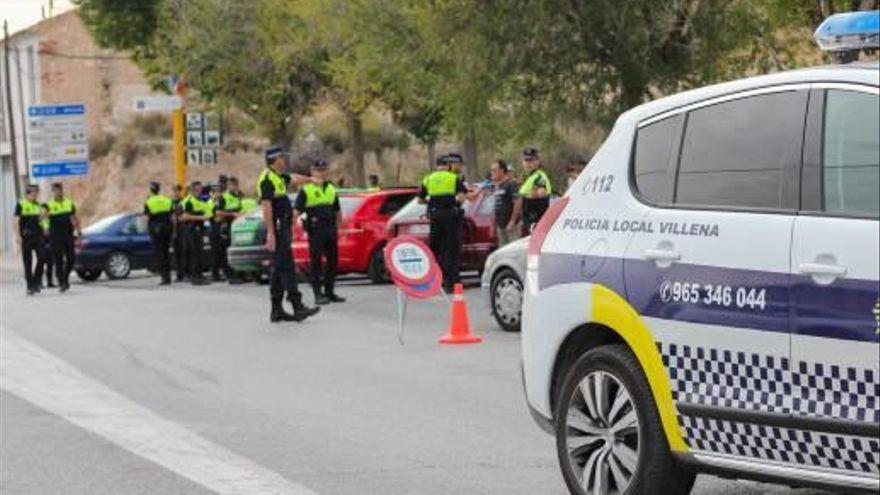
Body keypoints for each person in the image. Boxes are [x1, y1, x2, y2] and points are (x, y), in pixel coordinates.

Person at [259, 146, 320, 323]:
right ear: (274, 159)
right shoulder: (267, 179)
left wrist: (309, 179)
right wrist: (271, 232)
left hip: (283, 227)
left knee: (278, 269)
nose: (284, 160)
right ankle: (297, 306)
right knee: (286, 267)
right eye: (281, 157)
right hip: (276, 228)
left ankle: (276, 310)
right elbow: (266, 206)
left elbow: (293, 178)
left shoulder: (278, 176)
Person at [294, 158, 345, 305]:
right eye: (318, 170)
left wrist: (339, 227)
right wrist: (293, 229)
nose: (321, 173)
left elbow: (337, 210)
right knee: (316, 263)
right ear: (312, 172)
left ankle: (329, 292)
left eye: (323, 170)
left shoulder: (331, 188)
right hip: (316, 230)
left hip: (330, 229)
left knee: (332, 261)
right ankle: (318, 294)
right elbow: (296, 211)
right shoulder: (306, 189)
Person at [418, 154, 467, 293]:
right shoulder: (453, 178)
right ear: (448, 166)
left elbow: (420, 200)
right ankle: (451, 282)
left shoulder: (428, 179)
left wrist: (433, 201)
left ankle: (436, 281)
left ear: (436, 166)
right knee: (452, 249)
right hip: (451, 217)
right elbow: (462, 197)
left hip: (435, 216)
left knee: (436, 249)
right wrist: (454, 201)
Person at [46, 182, 81, 292]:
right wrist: (46, 228)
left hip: (68, 235)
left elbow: (75, 218)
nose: (58, 192)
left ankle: (65, 278)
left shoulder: (69, 203)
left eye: (60, 190)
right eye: (56, 190)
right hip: (55, 236)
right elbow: (44, 219)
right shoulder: (49, 205)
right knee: (58, 260)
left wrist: (79, 231)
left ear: (62, 190)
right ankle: (62, 282)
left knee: (71, 259)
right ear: (53, 192)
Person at [511, 147, 552, 237]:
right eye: (526, 160)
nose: (528, 163)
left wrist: (536, 193)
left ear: (537, 161)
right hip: (529, 223)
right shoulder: (530, 176)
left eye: (531, 160)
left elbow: (542, 191)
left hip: (536, 223)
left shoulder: (539, 176)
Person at [13, 184, 46, 295]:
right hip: (26, 237)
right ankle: (30, 286)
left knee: (42, 258)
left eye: (37, 192)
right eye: (35, 193)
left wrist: (43, 216)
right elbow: (16, 221)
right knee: (28, 262)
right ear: (29, 193)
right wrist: (18, 236)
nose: (37, 195)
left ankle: (36, 280)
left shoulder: (38, 205)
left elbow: (39, 220)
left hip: (38, 236)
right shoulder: (20, 204)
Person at [144, 181, 174, 285]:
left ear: (151, 190)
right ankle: (168, 277)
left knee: (160, 254)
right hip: (167, 229)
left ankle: (164, 278)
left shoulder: (149, 201)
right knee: (166, 253)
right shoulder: (167, 200)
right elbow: (172, 217)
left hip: (156, 231)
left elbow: (147, 217)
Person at [180, 181, 210, 286]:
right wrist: (201, 217)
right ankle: (195, 278)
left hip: (199, 229)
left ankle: (200, 275)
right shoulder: (188, 201)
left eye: (201, 189)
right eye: (198, 189)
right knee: (194, 253)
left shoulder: (200, 201)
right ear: (193, 190)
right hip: (190, 229)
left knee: (200, 253)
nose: (200, 191)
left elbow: (207, 212)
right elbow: (183, 217)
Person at [215, 176, 244, 284]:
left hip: (238, 226)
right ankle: (230, 275)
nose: (233, 187)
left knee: (237, 250)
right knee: (228, 251)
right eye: (231, 185)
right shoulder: (223, 197)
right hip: (227, 226)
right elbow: (218, 213)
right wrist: (232, 214)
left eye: (235, 185)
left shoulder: (239, 196)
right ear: (228, 186)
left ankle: (239, 274)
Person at [490, 160, 519, 247]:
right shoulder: (497, 185)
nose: (492, 172)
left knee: (513, 250)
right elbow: (496, 206)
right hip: (500, 225)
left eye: (494, 170)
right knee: (503, 251)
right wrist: (493, 225)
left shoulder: (511, 183)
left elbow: (518, 202)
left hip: (511, 226)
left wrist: (512, 221)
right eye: (491, 170)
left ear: (502, 170)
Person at [170, 185, 186, 282]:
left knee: (183, 252)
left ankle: (184, 273)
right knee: (176, 253)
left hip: (182, 229)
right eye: (174, 191)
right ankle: (179, 275)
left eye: (177, 191)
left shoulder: (183, 202)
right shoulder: (170, 202)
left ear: (180, 192)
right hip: (173, 230)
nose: (176, 193)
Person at [39, 205, 55, 288]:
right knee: (41, 263)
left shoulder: (51, 221)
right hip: (41, 244)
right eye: (42, 212)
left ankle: (50, 281)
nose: (43, 214)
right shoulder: (38, 222)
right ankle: (39, 282)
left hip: (51, 244)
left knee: (50, 264)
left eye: (45, 212)